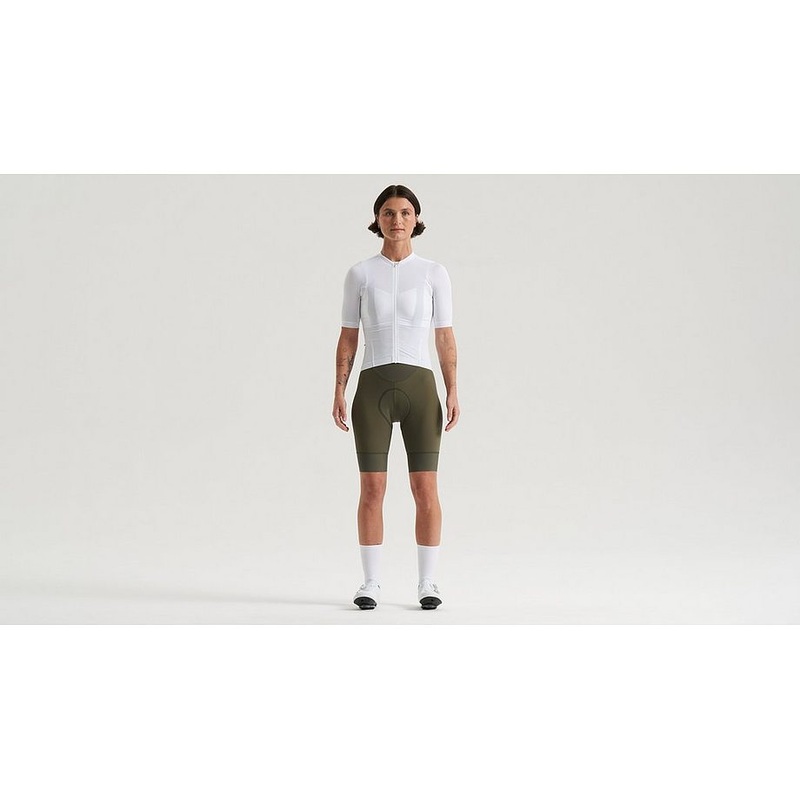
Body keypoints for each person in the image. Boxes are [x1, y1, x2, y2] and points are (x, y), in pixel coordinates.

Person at [333, 185, 460, 610]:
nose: (397, 220)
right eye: (388, 213)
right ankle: (370, 582)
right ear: (377, 219)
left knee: (425, 487)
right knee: (372, 488)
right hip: (372, 388)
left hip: (420, 387)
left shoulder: (433, 273)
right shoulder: (360, 274)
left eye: (405, 212)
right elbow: (348, 336)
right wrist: (339, 389)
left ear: (416, 219)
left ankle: (428, 582)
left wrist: (452, 389)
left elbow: (444, 336)